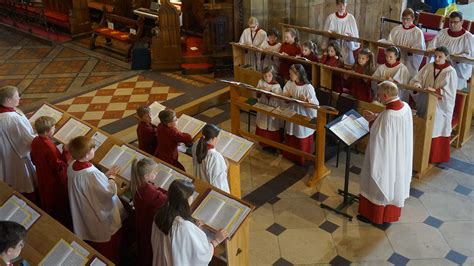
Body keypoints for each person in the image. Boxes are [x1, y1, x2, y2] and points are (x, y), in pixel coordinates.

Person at [357, 81, 413, 225]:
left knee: (378, 182)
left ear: (386, 95)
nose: (379, 98)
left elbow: (379, 137)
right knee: (394, 182)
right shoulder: (405, 107)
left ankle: (374, 215)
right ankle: (389, 214)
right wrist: (376, 117)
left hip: (386, 157)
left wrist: (371, 122)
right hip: (398, 154)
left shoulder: (388, 115)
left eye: (380, 95)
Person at [67, 136, 126, 264]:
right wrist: (112, 178)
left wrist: (105, 176)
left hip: (83, 207)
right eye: (93, 149)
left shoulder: (72, 165)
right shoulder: (92, 174)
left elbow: (91, 185)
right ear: (87, 154)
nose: (94, 150)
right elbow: (108, 192)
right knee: (106, 244)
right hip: (96, 213)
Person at [151, 179, 228, 266]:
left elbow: (176, 244)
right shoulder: (183, 227)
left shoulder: (160, 214)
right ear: (185, 201)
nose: (193, 197)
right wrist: (216, 241)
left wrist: (194, 229)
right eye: (191, 195)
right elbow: (200, 256)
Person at [410, 46, 458, 163]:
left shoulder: (450, 72)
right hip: (425, 100)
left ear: (446, 57)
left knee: (435, 122)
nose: (436, 59)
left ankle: (432, 156)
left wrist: (435, 91)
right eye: (435, 56)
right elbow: (417, 79)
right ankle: (418, 153)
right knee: (420, 119)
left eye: (440, 57)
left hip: (440, 107)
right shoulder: (428, 66)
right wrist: (417, 85)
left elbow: (449, 93)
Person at [30, 116, 72, 229]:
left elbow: (33, 158)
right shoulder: (49, 146)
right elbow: (58, 166)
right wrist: (66, 152)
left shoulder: (35, 140)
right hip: (53, 180)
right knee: (58, 203)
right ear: (47, 131)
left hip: (42, 174)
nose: (55, 129)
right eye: (54, 127)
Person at [0, 86, 36, 199]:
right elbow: (26, 140)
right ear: (8, 100)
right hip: (17, 156)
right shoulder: (12, 118)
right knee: (22, 181)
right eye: (17, 96)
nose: (19, 98)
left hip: (4, 152)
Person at [131, 158, 168, 266]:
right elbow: (166, 200)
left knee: (143, 248)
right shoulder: (149, 190)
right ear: (146, 175)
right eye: (154, 172)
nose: (156, 173)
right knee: (148, 253)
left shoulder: (139, 183)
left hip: (141, 221)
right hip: (149, 226)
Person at [282, 64, 319, 166]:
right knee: (291, 131)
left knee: (300, 132)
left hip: (303, 113)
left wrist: (307, 100)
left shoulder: (308, 87)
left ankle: (302, 158)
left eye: (291, 74)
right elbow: (284, 95)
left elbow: (315, 104)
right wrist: (287, 96)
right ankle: (290, 154)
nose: (290, 75)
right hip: (292, 111)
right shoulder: (290, 83)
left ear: (298, 74)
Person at [429, 11, 474, 90]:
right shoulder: (442, 33)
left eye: (455, 22)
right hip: (440, 70)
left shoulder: (468, 37)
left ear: (462, 22)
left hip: (458, 73)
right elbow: (431, 47)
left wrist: (457, 58)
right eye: (450, 22)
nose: (452, 25)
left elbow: (470, 55)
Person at [387, 8, 426, 76]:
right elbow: (389, 42)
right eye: (403, 18)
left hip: (409, 61)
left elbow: (420, 48)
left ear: (413, 18)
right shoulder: (396, 29)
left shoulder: (417, 32)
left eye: (408, 19)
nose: (405, 21)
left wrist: (410, 49)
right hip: (397, 59)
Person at [192, 124, 230, 193]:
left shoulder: (197, 144)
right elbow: (219, 183)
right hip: (209, 191)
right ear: (213, 138)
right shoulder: (215, 156)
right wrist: (226, 167)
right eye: (218, 138)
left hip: (199, 186)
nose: (218, 140)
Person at [255, 65, 284, 151]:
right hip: (263, 107)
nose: (267, 78)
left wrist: (270, 92)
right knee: (262, 124)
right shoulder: (261, 82)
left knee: (272, 126)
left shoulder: (277, 86)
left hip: (272, 108)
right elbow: (256, 95)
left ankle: (273, 145)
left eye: (269, 76)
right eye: (265, 76)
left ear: (273, 75)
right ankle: (263, 143)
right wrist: (259, 91)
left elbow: (280, 100)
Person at [323, 0, 360, 65]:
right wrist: (332, 34)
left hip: (347, 48)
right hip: (334, 47)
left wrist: (349, 38)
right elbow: (325, 35)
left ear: (346, 4)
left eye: (343, 4)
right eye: (339, 4)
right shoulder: (331, 18)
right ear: (336, 5)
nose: (342, 7)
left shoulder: (351, 18)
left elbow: (355, 37)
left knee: (347, 65)